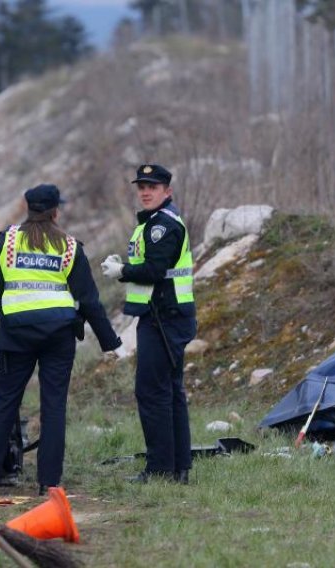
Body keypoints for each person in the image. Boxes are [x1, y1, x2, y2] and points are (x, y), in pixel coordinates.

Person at [0, 184, 124, 498]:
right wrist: (111, 343)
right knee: (53, 407)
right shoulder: (69, 247)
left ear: (28, 209)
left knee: (5, 404)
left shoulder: (6, 243)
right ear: (56, 211)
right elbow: (89, 300)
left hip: (16, 334)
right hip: (58, 336)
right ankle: (49, 483)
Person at [100, 164, 197, 484]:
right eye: (141, 186)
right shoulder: (151, 223)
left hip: (165, 318)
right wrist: (125, 266)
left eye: (152, 187)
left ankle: (160, 469)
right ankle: (177, 468)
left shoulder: (162, 225)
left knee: (153, 393)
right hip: (161, 316)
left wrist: (122, 272)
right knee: (168, 392)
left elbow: (155, 270)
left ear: (167, 191)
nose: (145, 191)